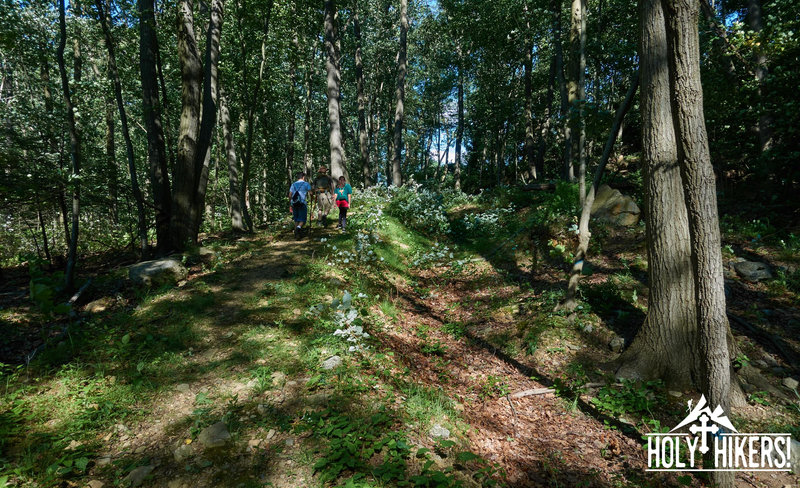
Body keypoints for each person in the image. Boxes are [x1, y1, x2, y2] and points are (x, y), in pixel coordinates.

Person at [288, 172, 312, 238]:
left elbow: (290, 195)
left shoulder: (293, 185)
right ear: (303, 177)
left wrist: (290, 203)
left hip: (294, 203)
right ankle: (298, 228)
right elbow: (311, 193)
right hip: (302, 203)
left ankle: (296, 234)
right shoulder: (306, 184)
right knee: (302, 219)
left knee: (296, 219)